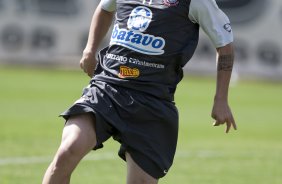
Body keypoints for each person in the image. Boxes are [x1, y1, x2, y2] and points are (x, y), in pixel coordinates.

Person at [42, 0, 237, 183]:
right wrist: (90, 49)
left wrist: (221, 100)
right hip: (107, 88)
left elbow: (224, 44)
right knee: (68, 150)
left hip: (152, 103)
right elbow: (104, 8)